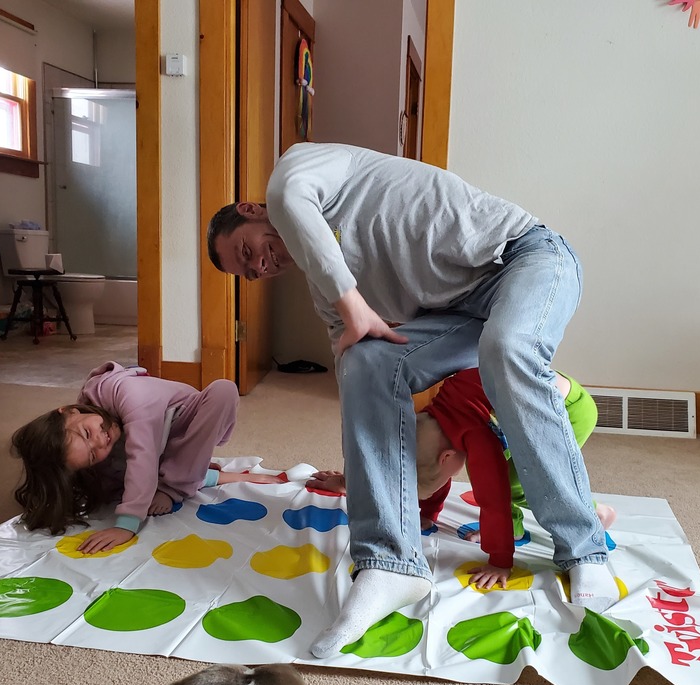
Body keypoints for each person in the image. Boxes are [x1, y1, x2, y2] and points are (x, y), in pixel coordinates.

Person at [207, 142, 617, 658]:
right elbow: (352, 367)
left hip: (527, 257)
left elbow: (290, 200)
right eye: (250, 273)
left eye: (248, 250)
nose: (261, 265)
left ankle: (582, 547)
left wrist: (350, 300)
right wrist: (363, 475)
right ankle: (389, 563)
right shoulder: (323, 286)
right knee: (365, 362)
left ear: (251, 210)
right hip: (462, 310)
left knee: (508, 347)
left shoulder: (297, 171)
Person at [309, 367, 617, 591]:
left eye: (447, 474)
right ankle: (519, 524)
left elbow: (492, 500)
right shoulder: (430, 420)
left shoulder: (477, 438)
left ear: (446, 458)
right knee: (509, 475)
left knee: (521, 485)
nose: (454, 476)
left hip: (567, 410)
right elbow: (428, 469)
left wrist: (499, 561)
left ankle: (593, 512)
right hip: (516, 404)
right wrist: (427, 516)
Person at [11, 361, 283, 554]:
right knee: (106, 481)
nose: (99, 439)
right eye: (92, 454)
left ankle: (174, 485)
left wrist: (127, 523)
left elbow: (143, 454)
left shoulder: (126, 393)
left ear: (70, 411)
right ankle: (206, 476)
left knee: (224, 388)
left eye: (86, 432)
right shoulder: (95, 426)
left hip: (184, 424)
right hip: (160, 450)